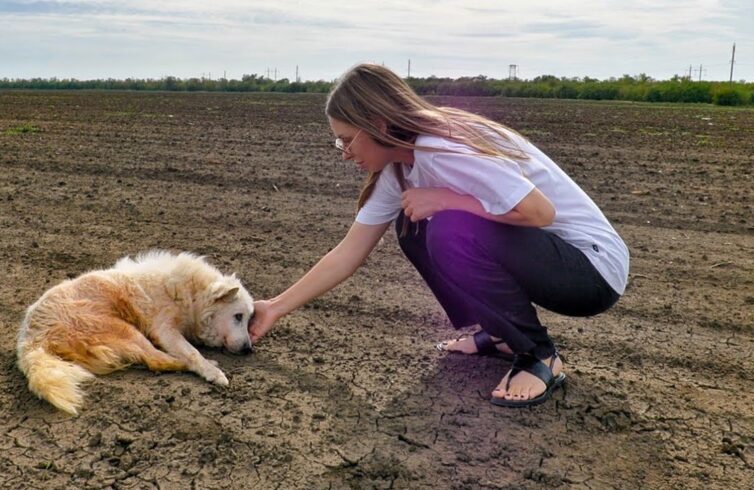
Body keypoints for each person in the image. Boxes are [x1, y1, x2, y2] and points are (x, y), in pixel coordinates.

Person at [248, 63, 629, 408]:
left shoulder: (442, 148)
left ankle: (539, 354)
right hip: (554, 260)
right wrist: (275, 307)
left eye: (348, 139)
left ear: (380, 125)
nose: (344, 153)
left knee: (448, 227)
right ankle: (499, 333)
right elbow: (349, 252)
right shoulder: (399, 166)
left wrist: (447, 199)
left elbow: (540, 212)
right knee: (413, 224)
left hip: (591, 271)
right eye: (338, 142)